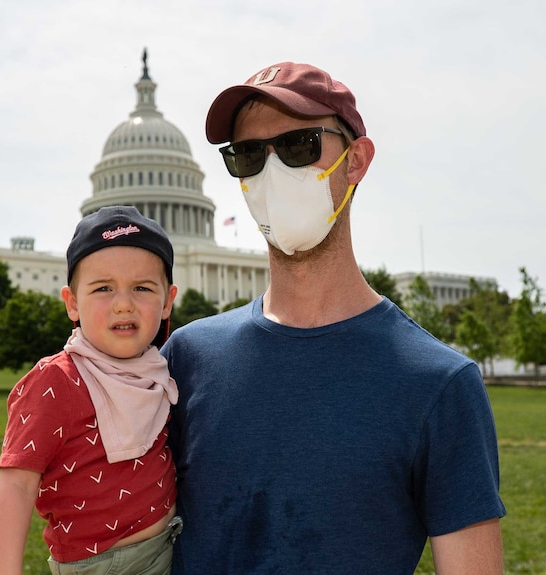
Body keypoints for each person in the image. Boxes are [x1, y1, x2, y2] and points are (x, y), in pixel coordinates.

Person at [161, 62, 506, 574]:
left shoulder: (439, 384)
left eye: (300, 145)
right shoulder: (185, 361)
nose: (272, 173)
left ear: (356, 160)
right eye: (249, 155)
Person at [0, 206, 182, 575]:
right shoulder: (56, 381)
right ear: (72, 303)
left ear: (167, 301)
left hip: (170, 550)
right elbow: (16, 488)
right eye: (103, 288)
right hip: (102, 567)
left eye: (141, 288)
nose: (123, 303)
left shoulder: (160, 371)